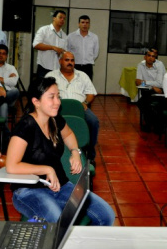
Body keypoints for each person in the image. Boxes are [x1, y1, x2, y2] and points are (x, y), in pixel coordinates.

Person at [6, 77, 114, 225]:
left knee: (106, 215)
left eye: (58, 96)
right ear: (36, 102)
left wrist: (75, 152)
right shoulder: (26, 126)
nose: (57, 102)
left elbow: (69, 134)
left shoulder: (55, 120)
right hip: (29, 191)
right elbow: (12, 166)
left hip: (61, 186)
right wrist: (46, 169)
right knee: (57, 223)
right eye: (51, 97)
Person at [45, 51, 100, 161]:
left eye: (72, 60)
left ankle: (90, 153)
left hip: (80, 108)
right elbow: (44, 94)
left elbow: (91, 93)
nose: (70, 63)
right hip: (57, 109)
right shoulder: (51, 76)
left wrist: (85, 103)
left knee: (94, 121)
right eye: (67, 60)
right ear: (60, 61)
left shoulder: (83, 76)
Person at [33, 9, 68, 79]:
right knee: (42, 89)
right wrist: (53, 47)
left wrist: (62, 53)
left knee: (56, 89)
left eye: (64, 18)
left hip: (57, 70)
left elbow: (64, 52)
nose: (62, 20)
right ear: (54, 18)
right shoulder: (44, 30)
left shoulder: (64, 35)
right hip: (44, 68)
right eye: (60, 17)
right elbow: (36, 45)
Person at [66, 15, 99, 80]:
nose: (85, 25)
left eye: (87, 23)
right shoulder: (71, 36)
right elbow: (67, 51)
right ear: (79, 24)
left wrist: (88, 60)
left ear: (89, 25)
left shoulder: (94, 37)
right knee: (73, 86)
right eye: (83, 22)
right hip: (74, 66)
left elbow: (96, 53)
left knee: (87, 87)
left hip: (88, 67)